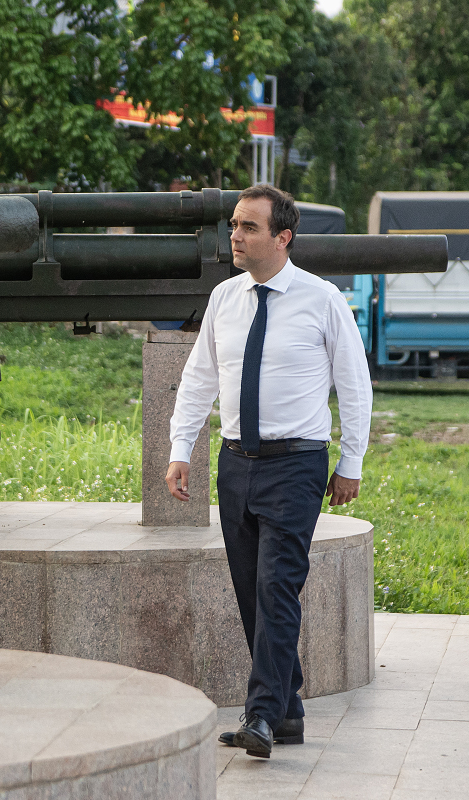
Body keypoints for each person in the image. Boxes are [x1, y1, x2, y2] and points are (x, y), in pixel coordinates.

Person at [164, 184, 372, 759]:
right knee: (252, 593)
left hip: (297, 465)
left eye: (249, 227)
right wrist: (181, 448)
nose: (235, 234)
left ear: (283, 238)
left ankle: (258, 714)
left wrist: (351, 461)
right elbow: (198, 379)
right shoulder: (225, 299)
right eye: (234, 224)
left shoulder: (322, 299)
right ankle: (288, 712)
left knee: (278, 587)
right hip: (236, 464)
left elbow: (354, 385)